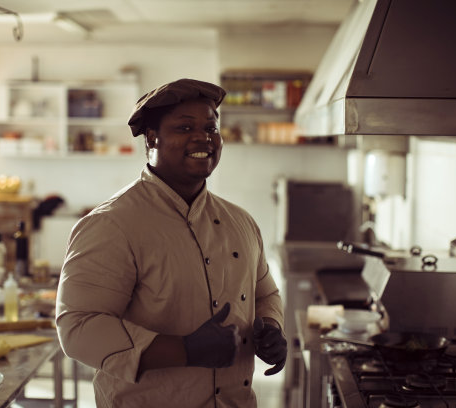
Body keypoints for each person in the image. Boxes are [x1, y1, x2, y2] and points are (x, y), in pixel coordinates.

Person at [56, 78, 287, 407]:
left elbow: (266, 294)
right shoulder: (112, 224)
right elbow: (78, 328)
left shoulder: (241, 222)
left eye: (211, 127)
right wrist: (186, 350)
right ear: (152, 137)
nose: (202, 137)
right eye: (184, 127)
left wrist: (271, 328)